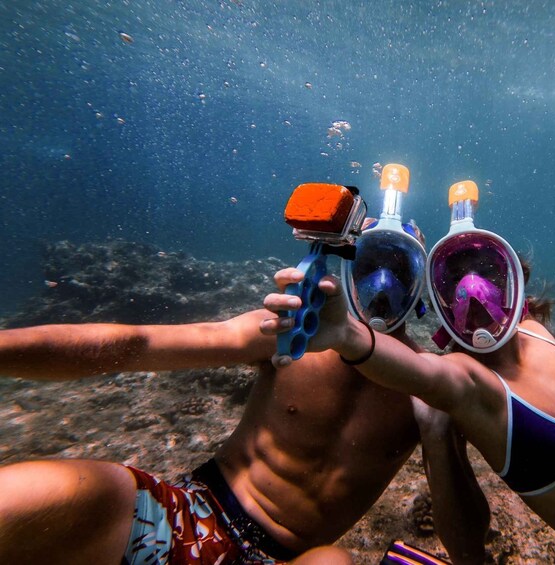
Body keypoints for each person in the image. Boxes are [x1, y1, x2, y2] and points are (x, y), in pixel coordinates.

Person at [0, 168, 489, 564]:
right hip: (188, 513)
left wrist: (440, 437)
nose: (383, 283)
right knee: (47, 494)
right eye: (370, 262)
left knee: (331, 563)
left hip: (286, 557)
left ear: (423, 283)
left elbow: (467, 551)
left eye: (401, 269)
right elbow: (136, 344)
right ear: (346, 264)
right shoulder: (292, 327)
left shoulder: (429, 387)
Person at [264, 181, 555, 564]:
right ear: (438, 300)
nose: (473, 289)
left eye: (485, 272)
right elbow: (421, 373)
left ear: (511, 278)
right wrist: (346, 335)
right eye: (455, 281)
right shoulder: (465, 380)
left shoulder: (534, 329)